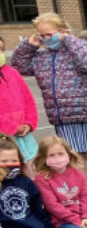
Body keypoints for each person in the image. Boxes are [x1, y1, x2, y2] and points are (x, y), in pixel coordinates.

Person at [11, 13, 87, 187]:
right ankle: (83, 198)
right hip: (63, 117)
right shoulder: (41, 57)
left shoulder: (77, 48)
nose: (46, 39)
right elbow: (18, 66)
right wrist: (28, 46)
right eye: (42, 36)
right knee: (73, 160)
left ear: (63, 32)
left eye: (50, 35)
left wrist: (69, 40)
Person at [0, 135, 63, 228]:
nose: (10, 165)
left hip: (32, 227)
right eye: (4, 161)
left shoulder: (25, 181)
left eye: (13, 160)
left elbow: (38, 208)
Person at [0, 35, 40, 170]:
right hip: (4, 136)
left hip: (23, 134)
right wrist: (11, 128)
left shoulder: (12, 73)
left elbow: (28, 100)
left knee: (32, 168)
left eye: (1, 49)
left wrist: (29, 124)